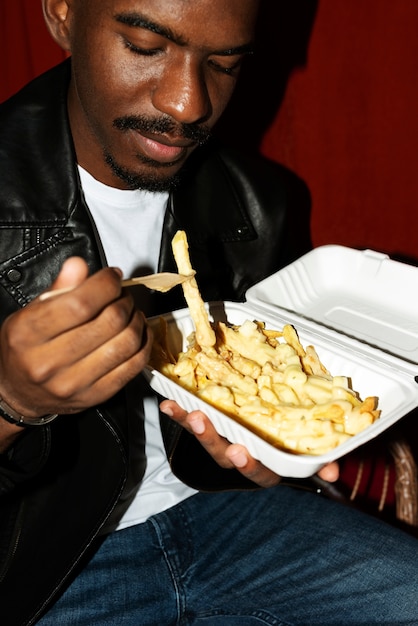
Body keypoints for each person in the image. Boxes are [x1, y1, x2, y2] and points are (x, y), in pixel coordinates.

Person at [0, 1, 417, 624]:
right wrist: (11, 401)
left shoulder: (258, 201)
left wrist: (259, 456)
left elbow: (229, 437)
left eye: (223, 64)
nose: (186, 104)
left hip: (226, 519)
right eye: (146, 46)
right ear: (62, 14)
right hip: (42, 567)